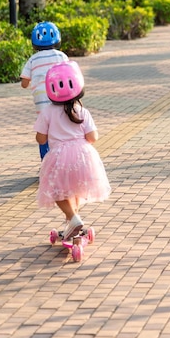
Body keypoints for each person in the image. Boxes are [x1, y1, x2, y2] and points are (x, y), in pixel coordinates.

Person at [34, 61, 111, 240]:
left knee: (56, 191)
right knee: (74, 190)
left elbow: (41, 139)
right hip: (83, 156)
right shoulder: (81, 110)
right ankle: (73, 223)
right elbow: (93, 137)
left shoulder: (47, 111)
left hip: (59, 156)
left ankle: (73, 218)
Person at [21, 21, 72, 160]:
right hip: (61, 97)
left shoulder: (32, 59)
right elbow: (70, 74)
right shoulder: (61, 56)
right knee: (62, 127)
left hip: (41, 102)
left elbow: (24, 83)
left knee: (44, 130)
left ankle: (46, 163)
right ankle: (64, 159)